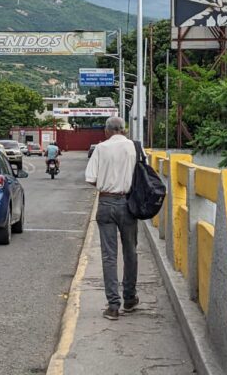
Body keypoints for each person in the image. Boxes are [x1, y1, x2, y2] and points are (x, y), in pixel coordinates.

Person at [84, 117, 140, 320]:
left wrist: (108, 184)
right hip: (128, 204)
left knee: (109, 256)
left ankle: (113, 306)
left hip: (106, 204)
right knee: (130, 251)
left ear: (107, 131)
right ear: (123, 130)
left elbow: (91, 178)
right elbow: (143, 175)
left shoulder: (100, 148)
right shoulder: (134, 147)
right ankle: (130, 298)